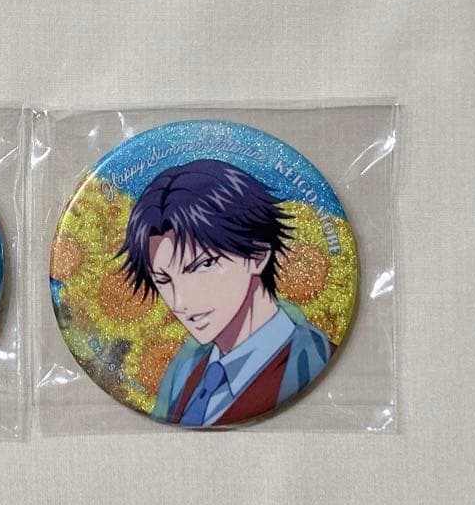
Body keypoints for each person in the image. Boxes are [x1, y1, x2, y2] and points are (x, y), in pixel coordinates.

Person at [119, 159, 333, 426]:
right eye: (163, 280)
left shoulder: (311, 360)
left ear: (257, 255)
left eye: (203, 265)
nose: (180, 302)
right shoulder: (183, 371)